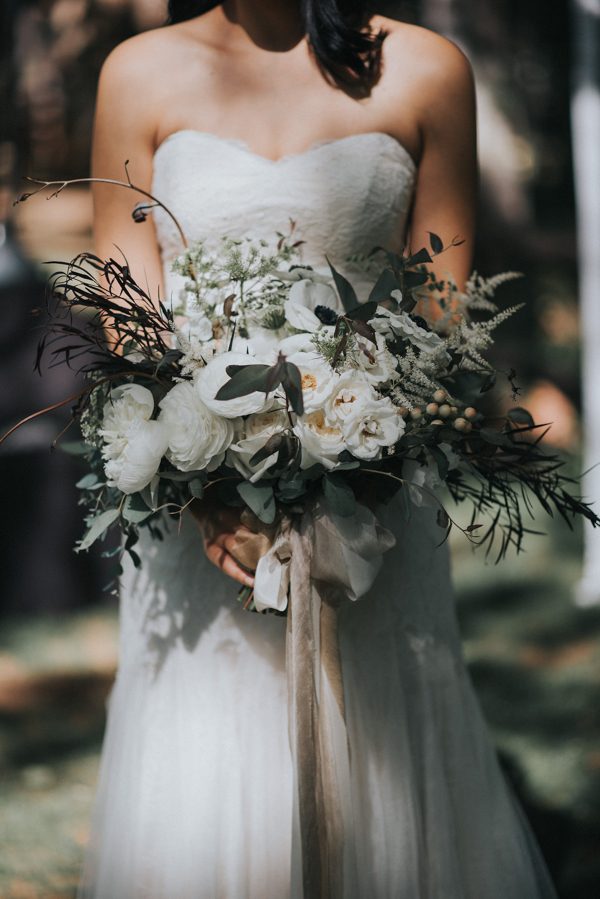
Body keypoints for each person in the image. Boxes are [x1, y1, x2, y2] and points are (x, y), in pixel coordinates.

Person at [80, 2, 557, 896]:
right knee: (210, 738)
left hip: (377, 481)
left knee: (377, 728)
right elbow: (123, 300)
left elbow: (441, 307)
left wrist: (356, 459)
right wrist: (203, 482)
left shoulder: (425, 69)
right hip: (197, 510)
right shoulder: (136, 71)